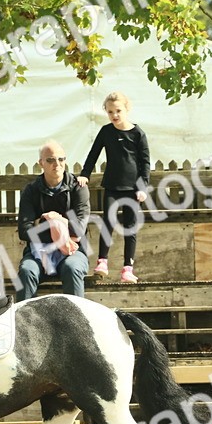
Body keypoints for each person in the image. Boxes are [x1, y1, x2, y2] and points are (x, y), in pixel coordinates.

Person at [78, 92, 149, 284]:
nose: (114, 115)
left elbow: (145, 164)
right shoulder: (106, 132)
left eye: (118, 111)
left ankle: (128, 268)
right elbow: (93, 154)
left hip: (133, 190)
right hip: (112, 186)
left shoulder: (138, 134)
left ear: (127, 109)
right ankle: (102, 262)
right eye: (110, 112)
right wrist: (85, 174)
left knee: (130, 228)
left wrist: (142, 187)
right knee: (108, 223)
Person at [15, 140, 90, 300]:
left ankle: (75, 323)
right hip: (38, 251)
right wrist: (59, 225)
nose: (57, 164)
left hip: (73, 250)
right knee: (27, 271)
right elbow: (24, 231)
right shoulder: (31, 191)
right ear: (40, 163)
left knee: (72, 268)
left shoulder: (78, 188)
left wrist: (48, 222)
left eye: (61, 159)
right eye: (50, 160)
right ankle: (23, 323)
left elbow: (78, 230)